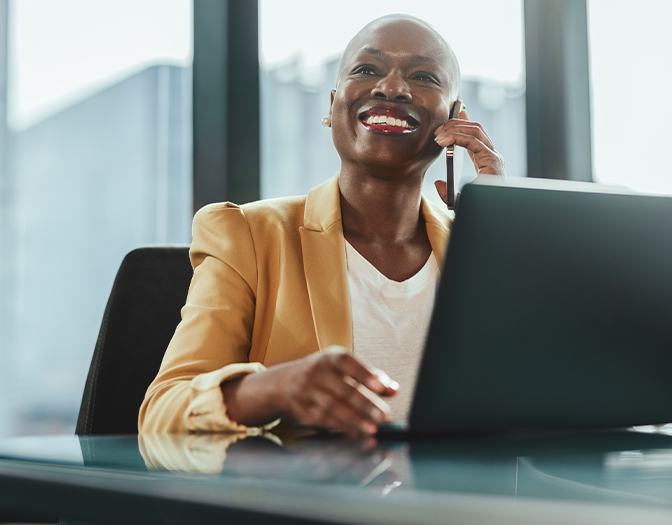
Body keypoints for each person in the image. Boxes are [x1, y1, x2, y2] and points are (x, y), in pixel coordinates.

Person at [138, 14, 504, 436]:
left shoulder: (481, 251)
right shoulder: (248, 236)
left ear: (455, 118)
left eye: (423, 76)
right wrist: (274, 389)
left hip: (455, 500)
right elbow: (162, 411)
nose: (392, 87)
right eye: (367, 69)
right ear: (332, 106)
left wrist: (505, 230)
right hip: (310, 500)